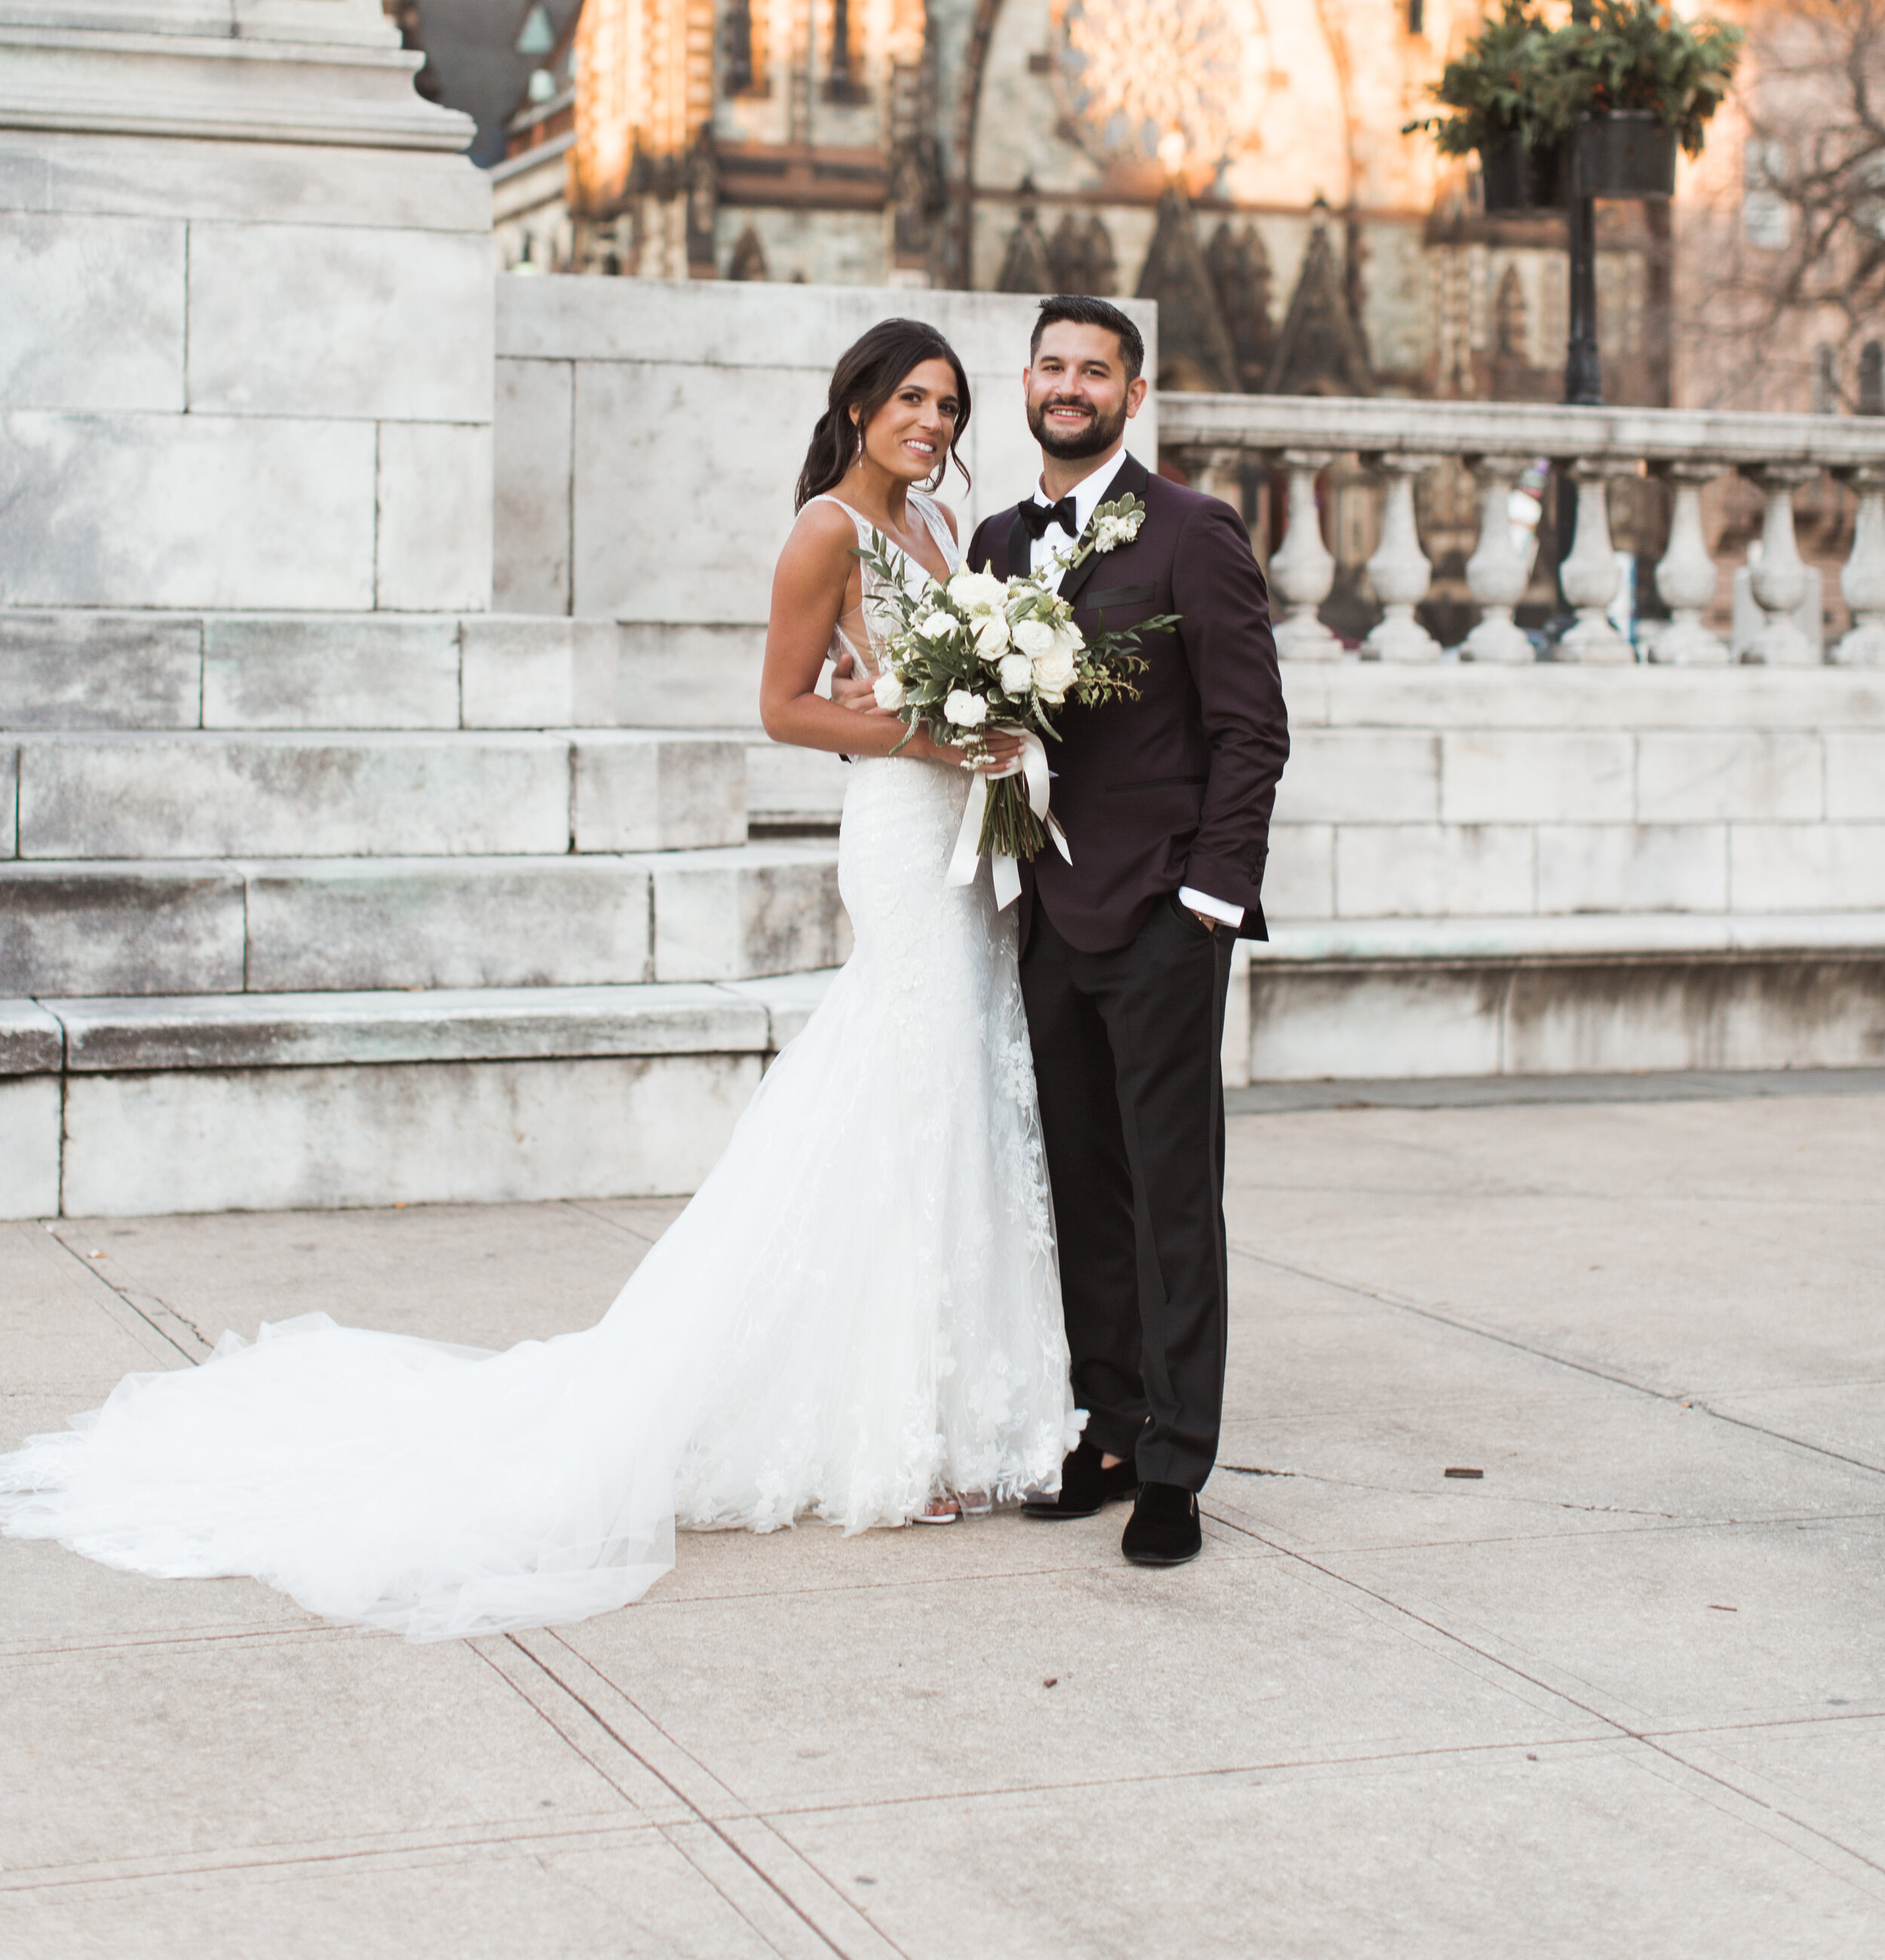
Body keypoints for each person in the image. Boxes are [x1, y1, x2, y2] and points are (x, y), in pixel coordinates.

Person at [0, 321, 1076, 1639]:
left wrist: (994, 724)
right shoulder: (826, 531)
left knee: (960, 1086)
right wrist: (934, 728)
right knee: (901, 1090)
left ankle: (966, 1405)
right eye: (911, 397)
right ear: (856, 403)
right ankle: (890, 1424)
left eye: (950, 404)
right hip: (901, 840)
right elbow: (784, 707)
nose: (933, 421)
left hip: (958, 839)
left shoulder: (938, 529)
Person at [967, 294, 1289, 1566]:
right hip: (1041, 909)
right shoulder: (996, 538)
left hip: (1161, 912)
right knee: (1081, 1187)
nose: (1068, 384)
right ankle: (1106, 1425)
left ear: (1132, 394)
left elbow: (1250, 730)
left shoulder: (1193, 532)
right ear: (1028, 380)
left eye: (1094, 369)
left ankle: (1175, 1462)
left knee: (1171, 1197)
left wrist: (1209, 899)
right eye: (1051, 364)